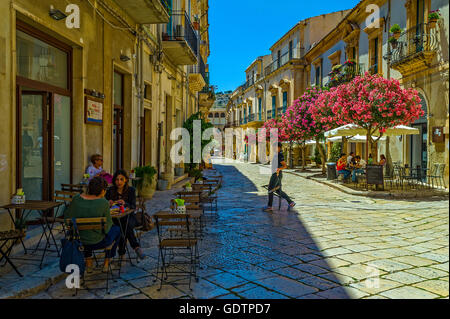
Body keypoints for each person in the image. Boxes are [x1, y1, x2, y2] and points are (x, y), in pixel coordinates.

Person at [64, 176, 121, 273]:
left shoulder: (76, 198)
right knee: (117, 229)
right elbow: (107, 228)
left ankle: (89, 262)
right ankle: (107, 262)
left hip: (78, 241)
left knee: (85, 231)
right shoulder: (103, 202)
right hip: (97, 242)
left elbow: (67, 220)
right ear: (103, 190)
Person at [105, 170, 146, 261]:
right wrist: (109, 203)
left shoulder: (131, 190)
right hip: (115, 218)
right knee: (122, 226)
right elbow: (104, 204)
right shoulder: (110, 190)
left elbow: (133, 206)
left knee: (124, 225)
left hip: (129, 216)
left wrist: (125, 203)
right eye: (117, 180)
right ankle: (135, 247)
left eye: (121, 179)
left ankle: (122, 253)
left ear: (126, 180)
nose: (119, 182)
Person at [263, 142, 296, 212]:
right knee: (278, 190)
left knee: (270, 189)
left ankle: (269, 207)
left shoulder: (279, 155)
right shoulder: (276, 154)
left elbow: (285, 165)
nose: (274, 148)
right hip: (276, 174)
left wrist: (279, 169)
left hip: (276, 175)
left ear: (279, 147)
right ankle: (291, 202)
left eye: (275, 147)